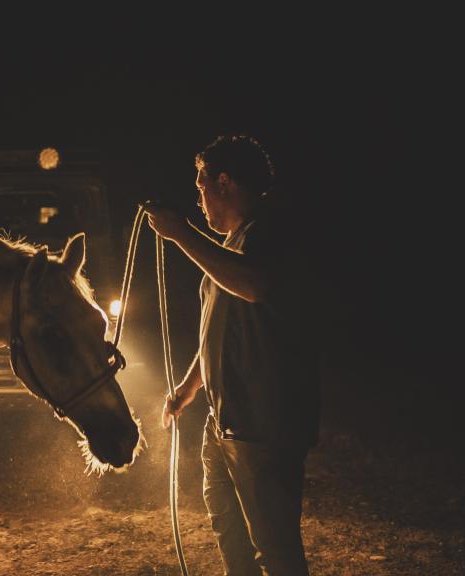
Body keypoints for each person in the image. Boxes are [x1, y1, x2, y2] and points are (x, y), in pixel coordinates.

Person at [147, 135, 319, 576]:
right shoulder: (232, 247)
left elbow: (255, 285)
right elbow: (216, 330)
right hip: (224, 420)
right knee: (233, 541)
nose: (198, 200)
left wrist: (181, 232)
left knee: (275, 549)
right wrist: (186, 390)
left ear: (224, 183)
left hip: (265, 423)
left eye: (201, 187)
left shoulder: (275, 230)